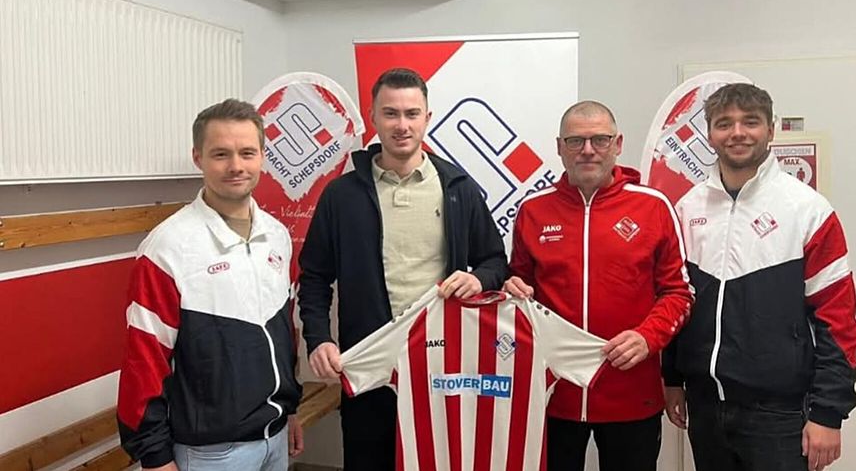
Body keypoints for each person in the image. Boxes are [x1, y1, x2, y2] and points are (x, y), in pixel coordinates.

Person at [298, 67, 508, 470]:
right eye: (390, 113)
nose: (402, 125)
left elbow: (495, 261)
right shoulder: (341, 195)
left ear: (427, 118)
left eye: (412, 114)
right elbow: (314, 278)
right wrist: (319, 338)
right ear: (373, 117)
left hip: (442, 366)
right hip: (367, 364)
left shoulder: (458, 188)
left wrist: (478, 278)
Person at [662, 83, 856, 471]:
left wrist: (828, 412)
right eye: (724, 124)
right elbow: (675, 299)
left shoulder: (808, 210)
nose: (737, 133)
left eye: (750, 122)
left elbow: (837, 320)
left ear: (771, 129)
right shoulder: (687, 209)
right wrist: (672, 377)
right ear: (710, 134)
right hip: (705, 408)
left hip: (779, 414)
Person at [504, 100, 693, 471]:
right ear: (559, 147)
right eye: (575, 141)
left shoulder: (653, 207)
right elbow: (520, 284)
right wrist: (513, 289)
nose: (588, 150)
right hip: (552, 396)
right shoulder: (533, 210)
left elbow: (679, 292)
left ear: (618, 144)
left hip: (631, 392)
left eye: (600, 140)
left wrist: (647, 337)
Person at [117, 99, 304, 471]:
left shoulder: (277, 236)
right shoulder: (167, 247)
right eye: (221, 154)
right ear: (197, 157)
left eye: (247, 153)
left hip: (276, 437)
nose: (236, 166)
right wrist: (154, 456)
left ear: (262, 157)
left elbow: (285, 335)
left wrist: (291, 409)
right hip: (212, 453)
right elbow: (144, 357)